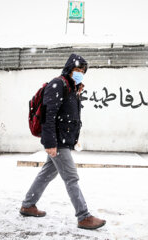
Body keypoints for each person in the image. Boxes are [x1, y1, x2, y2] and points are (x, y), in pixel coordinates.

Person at [20, 53, 106, 230]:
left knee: (47, 173)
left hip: (63, 139)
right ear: (69, 69)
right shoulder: (58, 84)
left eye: (82, 70)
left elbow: (69, 115)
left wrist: (76, 94)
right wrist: (50, 143)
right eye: (77, 69)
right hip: (57, 141)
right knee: (71, 177)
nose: (80, 72)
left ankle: (28, 205)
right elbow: (48, 114)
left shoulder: (71, 87)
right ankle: (83, 216)